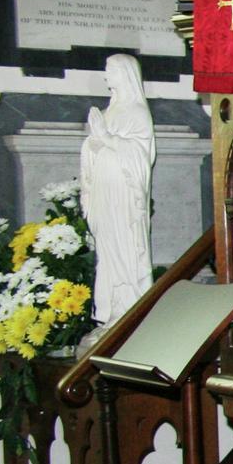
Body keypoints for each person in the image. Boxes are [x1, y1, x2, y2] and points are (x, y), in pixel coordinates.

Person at [80, 52, 156, 328]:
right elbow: (96, 146)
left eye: (109, 70)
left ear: (124, 74)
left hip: (123, 195)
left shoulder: (136, 112)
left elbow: (140, 156)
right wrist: (92, 144)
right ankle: (111, 311)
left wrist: (107, 138)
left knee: (124, 249)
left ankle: (128, 307)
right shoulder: (110, 110)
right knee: (107, 250)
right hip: (104, 191)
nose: (105, 76)